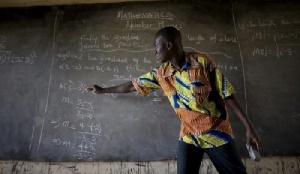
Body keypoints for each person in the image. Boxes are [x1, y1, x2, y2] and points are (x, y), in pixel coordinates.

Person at [87, 26, 262, 174]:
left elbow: (227, 94)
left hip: (216, 132)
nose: (154, 51)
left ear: (169, 45)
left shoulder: (203, 62)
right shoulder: (162, 74)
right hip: (189, 135)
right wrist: (103, 90)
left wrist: (249, 128)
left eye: (156, 46)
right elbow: (133, 85)